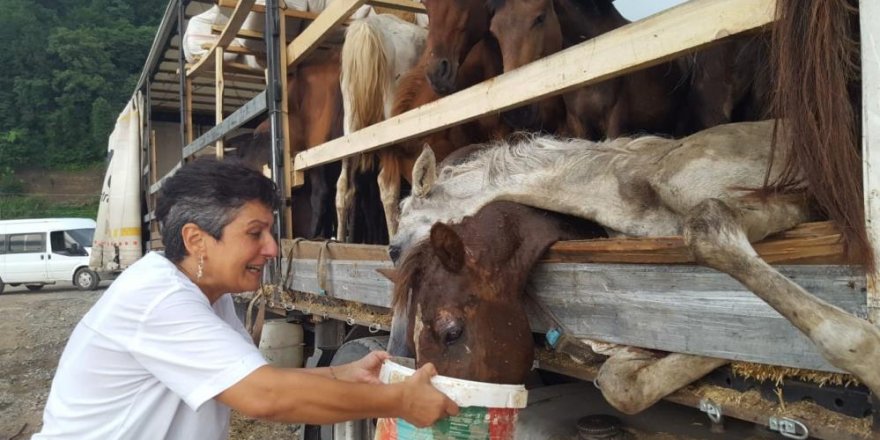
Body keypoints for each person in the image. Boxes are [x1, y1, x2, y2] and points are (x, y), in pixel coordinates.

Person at [34, 158, 458, 439]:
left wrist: (346, 375)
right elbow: (265, 397)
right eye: (254, 233)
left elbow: (250, 382)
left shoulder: (207, 295)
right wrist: (400, 401)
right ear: (196, 240)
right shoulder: (158, 300)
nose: (272, 249)